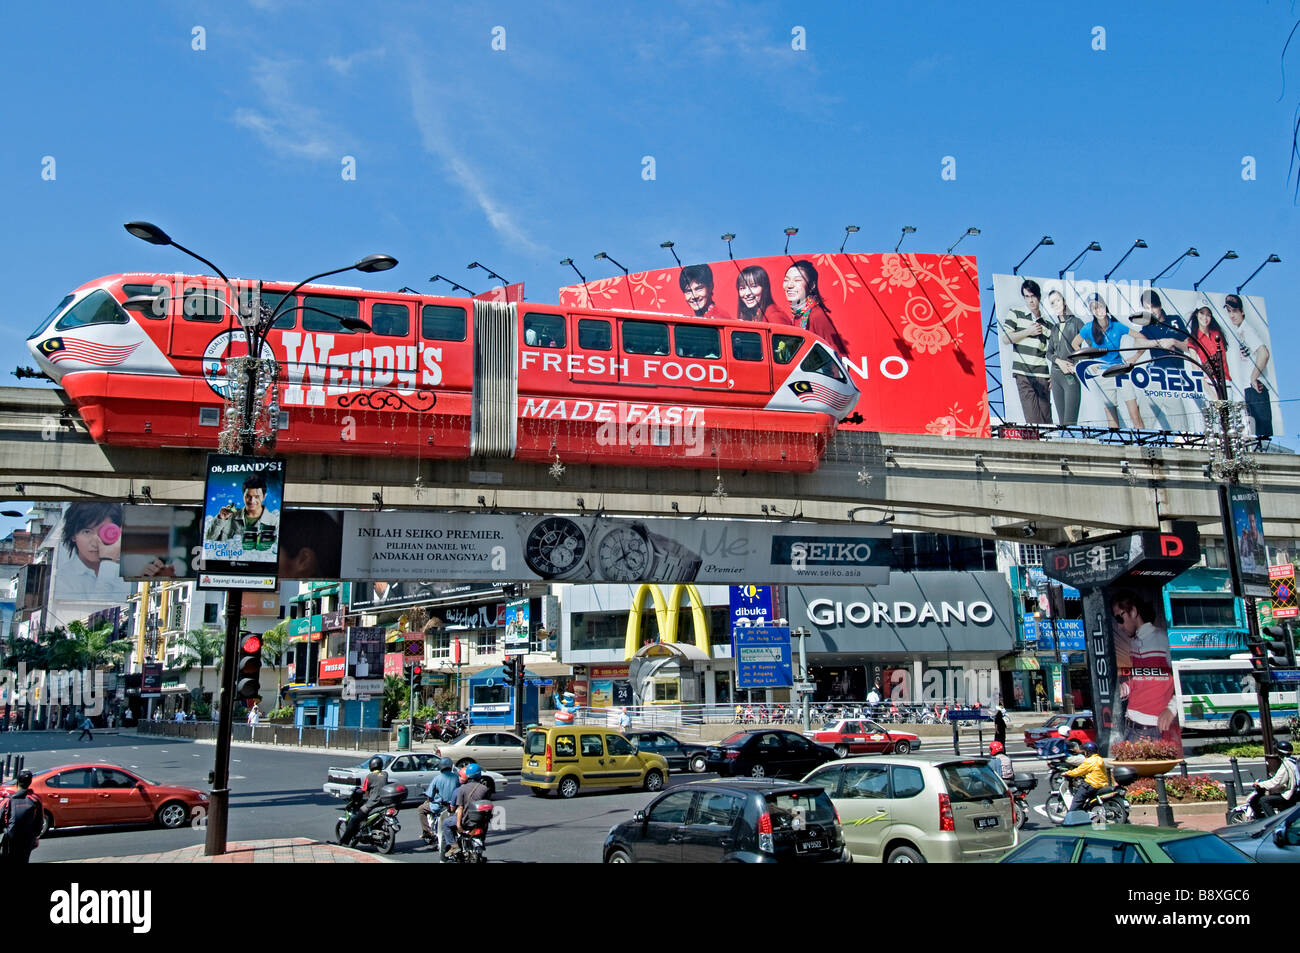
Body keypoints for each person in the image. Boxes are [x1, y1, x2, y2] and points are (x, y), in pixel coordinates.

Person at [1111, 589, 1180, 751]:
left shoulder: (1161, 639)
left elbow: (1181, 676)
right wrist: (1125, 688)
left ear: (1133, 611)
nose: (1119, 626)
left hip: (1150, 728)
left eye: (1119, 618)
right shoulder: (1135, 643)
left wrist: (1172, 708)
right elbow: (1142, 678)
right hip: (1131, 723)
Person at [1070, 294, 1152, 429]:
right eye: (1093, 308)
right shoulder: (1088, 328)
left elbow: (1142, 338)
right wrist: (1090, 361)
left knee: (1135, 415)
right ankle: (1117, 448)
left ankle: (1142, 444)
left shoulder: (1117, 326)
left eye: (1100, 306)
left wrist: (1135, 357)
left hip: (1121, 372)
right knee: (1112, 419)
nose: (1098, 310)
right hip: (1104, 374)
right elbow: (1075, 344)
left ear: (1105, 306)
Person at [1221, 293, 1272, 438]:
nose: (1232, 315)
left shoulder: (1247, 330)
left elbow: (1264, 353)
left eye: (1235, 311)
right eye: (1229, 311)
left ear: (1242, 312)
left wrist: (1253, 378)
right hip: (1249, 390)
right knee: (1252, 434)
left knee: (1260, 433)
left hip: (1255, 389)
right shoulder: (1239, 331)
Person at [1003, 280, 1054, 425]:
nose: (1030, 300)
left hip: (1042, 374)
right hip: (1023, 373)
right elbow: (1006, 338)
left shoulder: (1047, 323)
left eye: (1033, 296)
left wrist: (1055, 375)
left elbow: (1056, 350)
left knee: (1046, 420)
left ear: (1038, 297)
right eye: (1027, 296)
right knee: (1032, 419)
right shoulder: (1016, 313)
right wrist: (1028, 332)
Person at [56, 502, 127, 603]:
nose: (95, 542)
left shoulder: (129, 575)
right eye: (87, 532)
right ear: (73, 536)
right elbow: (96, 612)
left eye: (105, 531)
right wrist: (107, 563)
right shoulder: (61, 580)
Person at [783, 260, 849, 355]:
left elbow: (837, 355)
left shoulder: (816, 315)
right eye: (786, 280)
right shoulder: (796, 316)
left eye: (797, 280)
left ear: (812, 285)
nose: (789, 285)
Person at [205, 473, 280, 548]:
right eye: (248, 496)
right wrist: (221, 519)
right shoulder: (229, 516)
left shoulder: (274, 521)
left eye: (257, 497)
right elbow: (208, 541)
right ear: (243, 495)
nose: (252, 500)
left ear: (264, 497)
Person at [1045, 289, 1084, 426]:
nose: (1056, 304)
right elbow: (1048, 352)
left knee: (1070, 423)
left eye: (1058, 300)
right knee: (1062, 425)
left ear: (1064, 302)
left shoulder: (1076, 322)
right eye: (1052, 303)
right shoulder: (1054, 328)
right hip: (1056, 376)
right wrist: (1058, 361)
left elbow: (1090, 345)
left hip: (1070, 375)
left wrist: (1078, 365)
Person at [444, 762, 491, 857]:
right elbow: (487, 806)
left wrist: (458, 825)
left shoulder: (462, 789)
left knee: (445, 823)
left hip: (465, 821)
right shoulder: (484, 789)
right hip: (480, 822)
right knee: (485, 827)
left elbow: (460, 808)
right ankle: (482, 841)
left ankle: (454, 845)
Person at [340, 756, 389, 847]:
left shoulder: (369, 776)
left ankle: (343, 841)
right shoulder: (385, 774)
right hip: (384, 802)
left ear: (372, 765)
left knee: (354, 820)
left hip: (373, 803)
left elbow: (365, 792)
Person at [1248, 741, 1299, 818]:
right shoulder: (1293, 761)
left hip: (1290, 794)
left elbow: (1276, 782)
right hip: (1295, 792)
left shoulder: (1286, 764)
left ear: (1280, 752)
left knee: (1264, 800)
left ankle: (1274, 822)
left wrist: (1260, 784)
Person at [0, 770, 42, 864]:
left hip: (10, 841)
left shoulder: (8, 801)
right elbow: (39, 824)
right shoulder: (35, 800)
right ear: (30, 782)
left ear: (17, 782)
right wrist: (35, 838)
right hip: (27, 841)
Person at [418, 757, 460, 844]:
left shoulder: (437, 778)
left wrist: (429, 798)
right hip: (453, 806)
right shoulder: (456, 777)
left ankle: (427, 832)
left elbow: (430, 794)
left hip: (439, 806)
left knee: (421, 809)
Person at [1063, 741, 1109, 813]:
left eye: (1084, 752)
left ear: (1088, 752)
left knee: (1077, 800)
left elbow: (1079, 771)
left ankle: (1072, 815)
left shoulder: (1089, 761)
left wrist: (1068, 773)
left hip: (1092, 785)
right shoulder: (1099, 759)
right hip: (1102, 784)